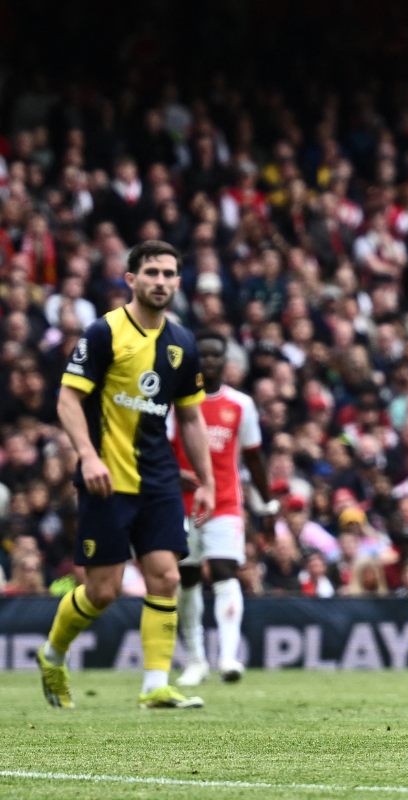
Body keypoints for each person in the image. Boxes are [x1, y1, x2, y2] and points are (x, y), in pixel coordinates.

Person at [40, 240, 214, 709]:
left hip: (158, 480)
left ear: (179, 282)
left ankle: (154, 685)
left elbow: (193, 419)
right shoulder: (103, 333)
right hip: (106, 479)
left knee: (165, 577)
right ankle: (52, 655)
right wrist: (88, 456)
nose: (161, 281)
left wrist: (208, 480)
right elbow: (67, 400)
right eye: (152, 272)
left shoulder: (182, 343)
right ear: (131, 279)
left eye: (169, 273)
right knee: (102, 592)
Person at [171, 329, 279, 687]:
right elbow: (157, 447)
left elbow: (254, 458)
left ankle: (229, 657)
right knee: (186, 578)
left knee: (223, 570)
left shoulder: (240, 405)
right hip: (181, 504)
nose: (210, 361)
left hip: (225, 502)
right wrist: (174, 473)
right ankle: (196, 660)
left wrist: (268, 503)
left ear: (226, 361)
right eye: (203, 355)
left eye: (217, 355)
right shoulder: (177, 402)